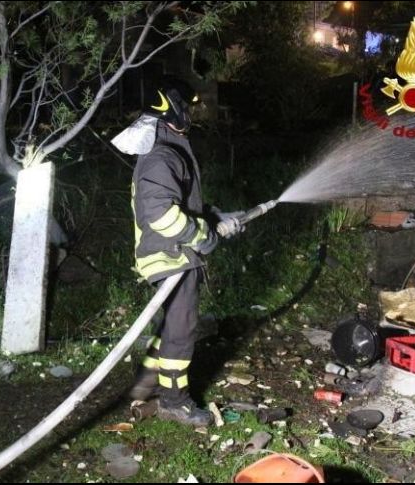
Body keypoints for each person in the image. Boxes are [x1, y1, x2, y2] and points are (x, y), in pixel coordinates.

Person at [111, 78, 244, 427]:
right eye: (187, 106)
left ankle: (146, 378)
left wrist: (216, 218)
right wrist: (201, 234)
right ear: (172, 109)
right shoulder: (162, 156)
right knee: (182, 331)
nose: (192, 113)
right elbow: (158, 213)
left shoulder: (169, 150)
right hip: (170, 255)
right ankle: (174, 401)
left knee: (171, 325)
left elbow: (183, 205)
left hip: (172, 253)